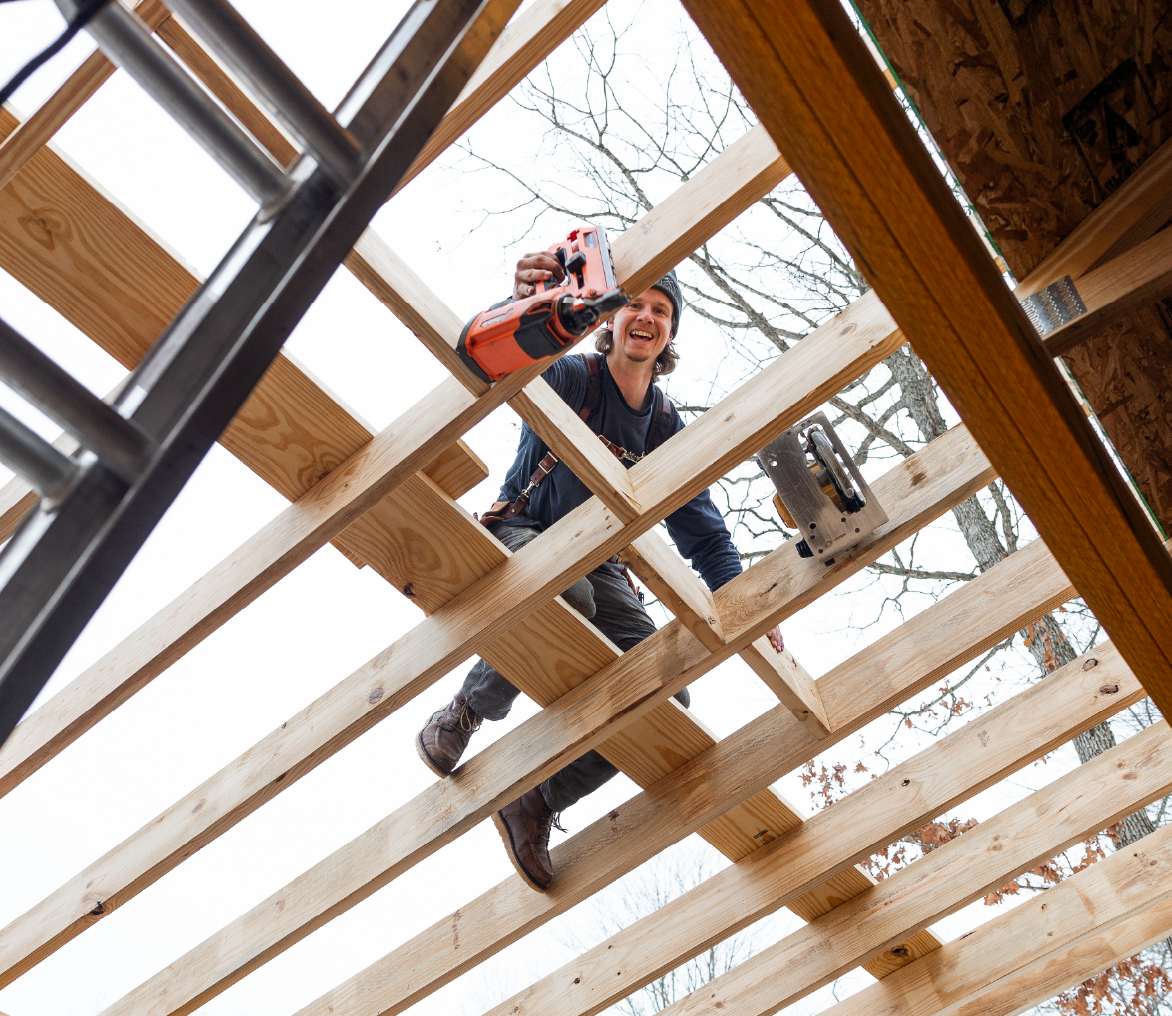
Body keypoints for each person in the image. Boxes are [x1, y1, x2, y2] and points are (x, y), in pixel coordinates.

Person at [416, 248, 769, 892]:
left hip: (600, 565)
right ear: (614, 317)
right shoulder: (576, 377)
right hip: (527, 531)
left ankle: (536, 801)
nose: (646, 316)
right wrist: (529, 303)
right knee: (565, 591)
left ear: (670, 335)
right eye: (635, 303)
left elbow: (702, 529)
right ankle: (465, 711)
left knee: (665, 690)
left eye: (661, 311)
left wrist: (746, 599)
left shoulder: (662, 426)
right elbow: (515, 364)